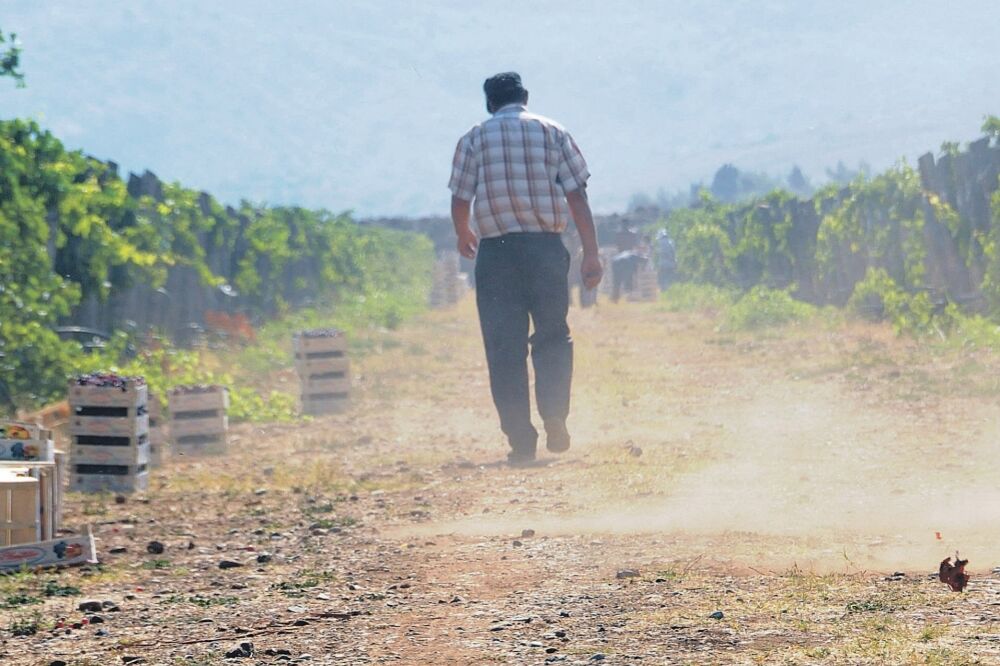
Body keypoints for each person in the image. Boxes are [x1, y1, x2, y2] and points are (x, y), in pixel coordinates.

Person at [448, 72, 602, 466]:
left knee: (504, 348)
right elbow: (577, 196)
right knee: (553, 334)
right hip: (546, 249)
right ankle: (554, 416)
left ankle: (521, 441)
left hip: (497, 255)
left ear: (490, 103)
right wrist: (590, 252)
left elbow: (461, 197)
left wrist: (463, 232)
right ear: (525, 98)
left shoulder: (474, 138)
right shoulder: (554, 132)